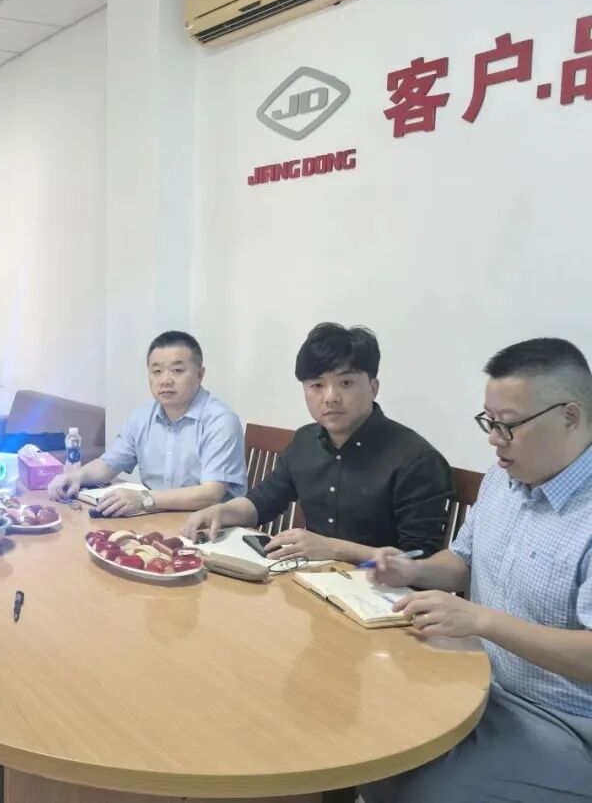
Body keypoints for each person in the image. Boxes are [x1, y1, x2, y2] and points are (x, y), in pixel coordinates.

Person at [362, 337, 592, 803]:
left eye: (508, 425)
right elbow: (462, 562)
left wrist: (482, 621)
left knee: (428, 792)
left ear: (570, 416)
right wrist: (410, 570)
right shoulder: (502, 479)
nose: (493, 439)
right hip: (478, 684)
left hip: (566, 720)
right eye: (489, 422)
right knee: (370, 749)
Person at [181, 323, 452, 562]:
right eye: (317, 385)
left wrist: (334, 549)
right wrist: (222, 511)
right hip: (312, 582)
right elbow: (264, 500)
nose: (330, 397)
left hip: (382, 594)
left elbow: (420, 559)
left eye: (346, 383)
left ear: (373, 387)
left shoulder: (416, 459)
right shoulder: (306, 441)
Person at [48, 331, 246, 516]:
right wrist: (77, 476)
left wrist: (144, 499)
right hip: (157, 517)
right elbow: (109, 464)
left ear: (199, 375)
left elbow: (211, 495)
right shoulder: (142, 417)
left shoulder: (220, 421)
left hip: (212, 526)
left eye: (177, 370)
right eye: (157, 371)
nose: (165, 380)